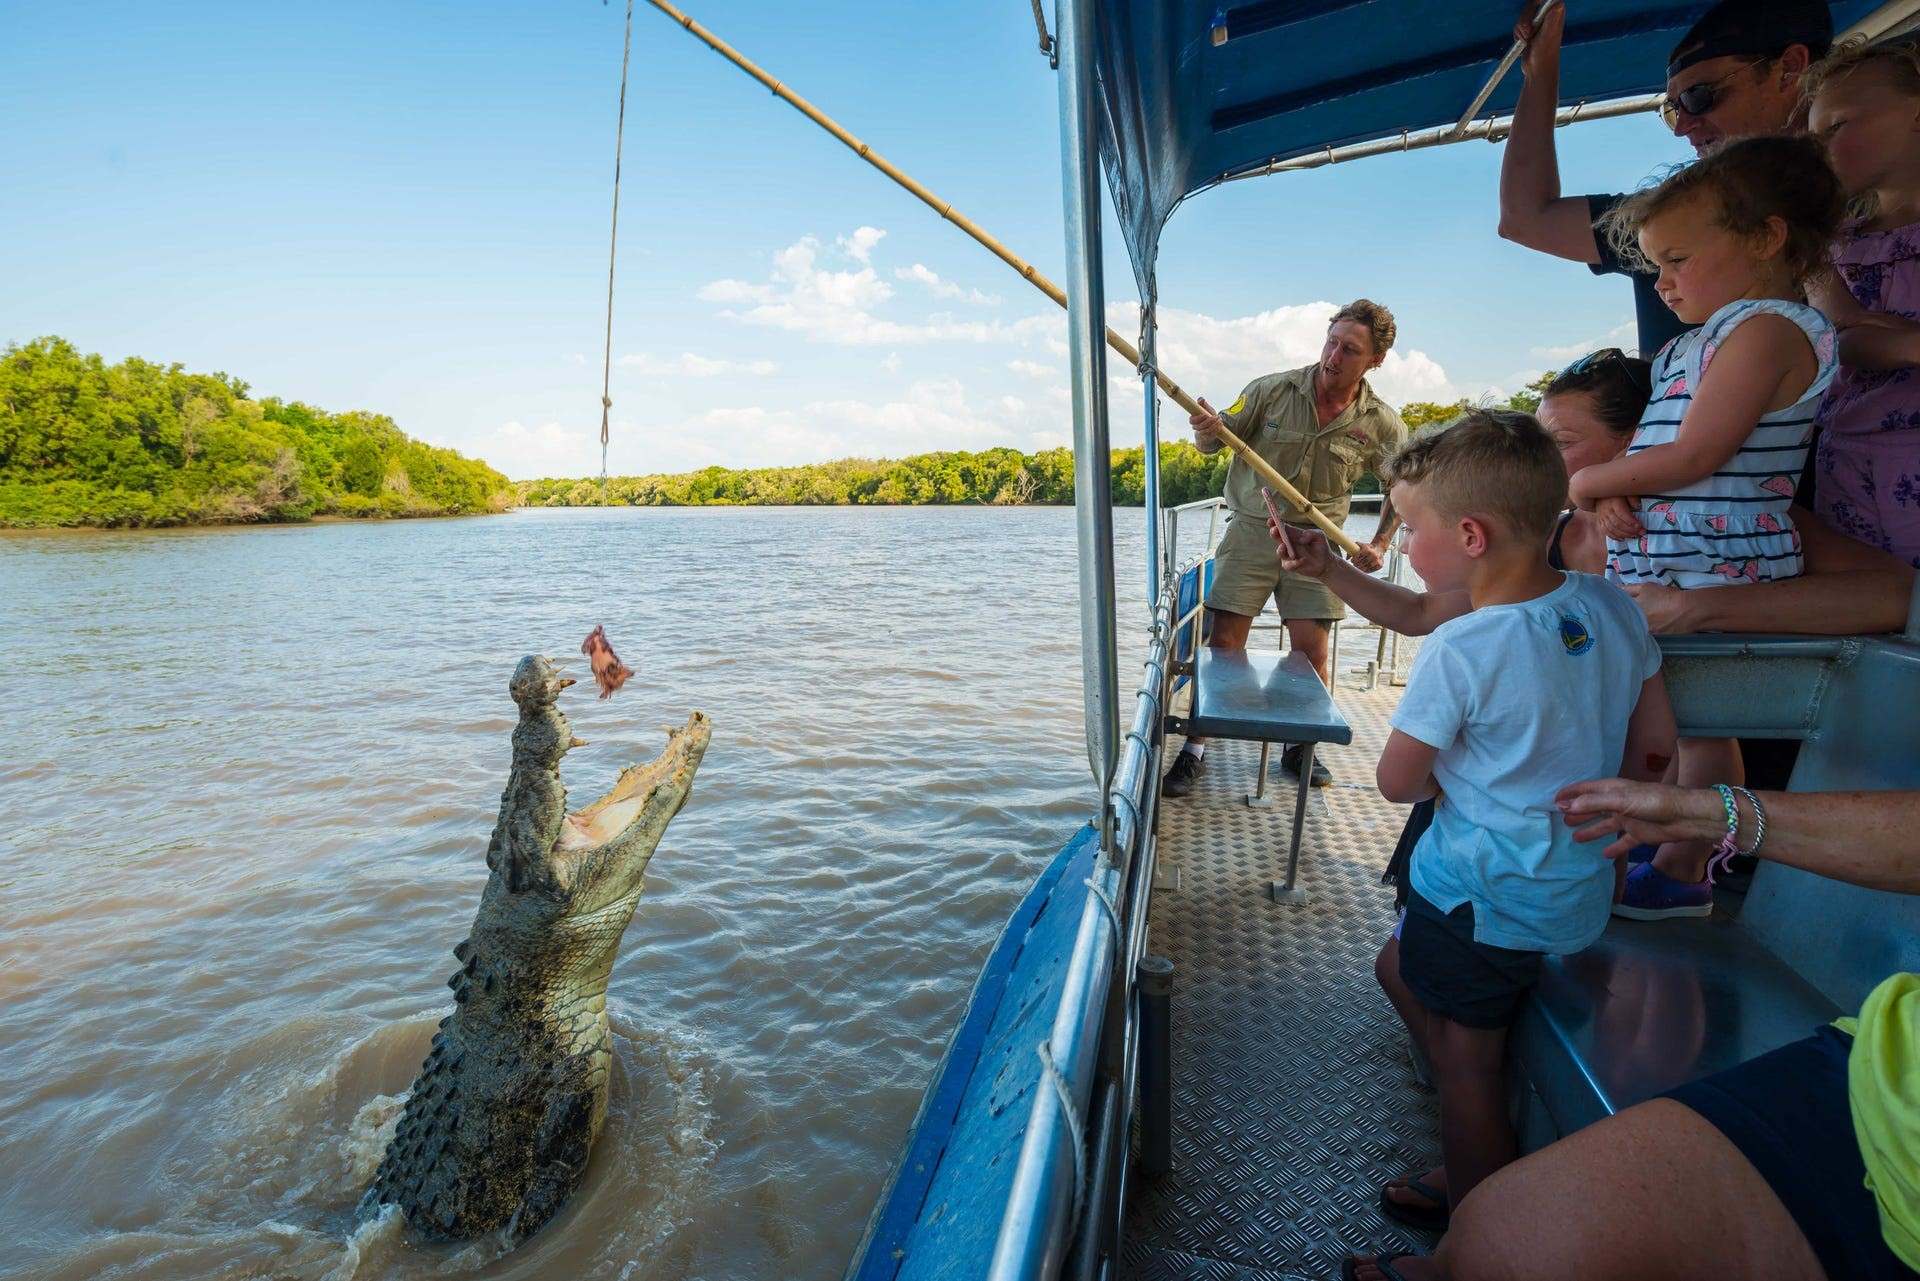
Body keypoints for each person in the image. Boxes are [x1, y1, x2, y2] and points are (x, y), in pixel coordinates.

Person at [1344, 784, 1920, 1281]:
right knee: (1493, 1239)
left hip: (1481, 900)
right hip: (1885, 1059)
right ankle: (1468, 1192)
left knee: (1472, 1117)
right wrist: (1702, 813)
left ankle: (1471, 1176)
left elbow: (1398, 778)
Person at [1351, 409, 1677, 1244]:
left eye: (1410, 528)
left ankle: (1479, 1234)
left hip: (1482, 901)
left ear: (1467, 535)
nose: (1400, 546)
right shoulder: (1610, 606)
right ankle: (1478, 1150)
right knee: (1396, 966)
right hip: (1578, 891)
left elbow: (1397, 784)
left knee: (1465, 1068)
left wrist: (1457, 768)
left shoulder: (1463, 647)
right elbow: (1653, 752)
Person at [1575, 134, 1843, 920]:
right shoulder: (1695, 343)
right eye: (1655, 265)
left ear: (1765, 237)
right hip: (1670, 550)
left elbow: (1701, 452)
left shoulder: (1768, 331)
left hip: (1718, 559)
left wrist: (1589, 480)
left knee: (1699, 716)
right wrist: (1617, 504)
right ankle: (1668, 851)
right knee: (1685, 720)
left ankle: (1686, 858)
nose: (1662, 283)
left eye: (1679, 260)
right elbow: (1662, 453)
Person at [1161, 300, 1407, 796]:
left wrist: (1379, 542)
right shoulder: (1271, 390)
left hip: (1318, 545)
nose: (1333, 356)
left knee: (1312, 650)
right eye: (1331, 341)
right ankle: (1195, 749)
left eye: (1350, 349)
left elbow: (1404, 487)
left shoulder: (1381, 423)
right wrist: (1209, 428)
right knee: (1224, 642)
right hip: (1253, 531)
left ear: (1375, 360)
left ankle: (1301, 749)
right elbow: (1219, 436)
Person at [1499, 0, 1832, 358]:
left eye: (1698, 96)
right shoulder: (1676, 219)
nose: (1682, 127)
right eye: (1673, 109)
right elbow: (1526, 218)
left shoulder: (1878, 198)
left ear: (1789, 70)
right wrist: (1540, 74)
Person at [1805, 38, 1920, 568]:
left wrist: (1886, 341)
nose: (1819, 149)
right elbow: (1841, 339)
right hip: (1848, 459)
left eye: (1838, 125)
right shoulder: (1831, 245)